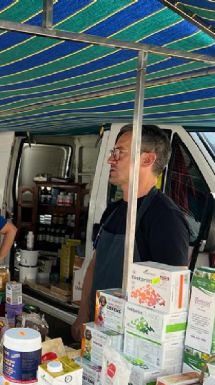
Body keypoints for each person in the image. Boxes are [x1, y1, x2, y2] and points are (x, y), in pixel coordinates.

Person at [72, 125, 189, 341]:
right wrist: (82, 316)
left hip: (133, 342)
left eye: (120, 153)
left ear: (147, 160)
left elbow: (173, 298)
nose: (111, 160)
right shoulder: (113, 210)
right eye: (112, 153)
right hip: (96, 330)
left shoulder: (165, 218)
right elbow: (94, 266)